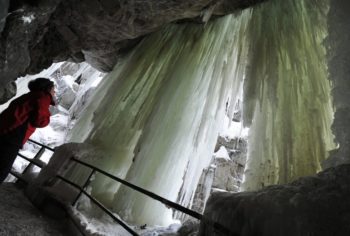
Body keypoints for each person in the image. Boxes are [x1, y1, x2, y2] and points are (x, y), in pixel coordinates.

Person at [0, 78, 55, 182]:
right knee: (2, 169)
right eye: (53, 89)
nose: (54, 92)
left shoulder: (28, 96)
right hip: (12, 136)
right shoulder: (43, 97)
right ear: (47, 89)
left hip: (4, 130)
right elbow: (41, 121)